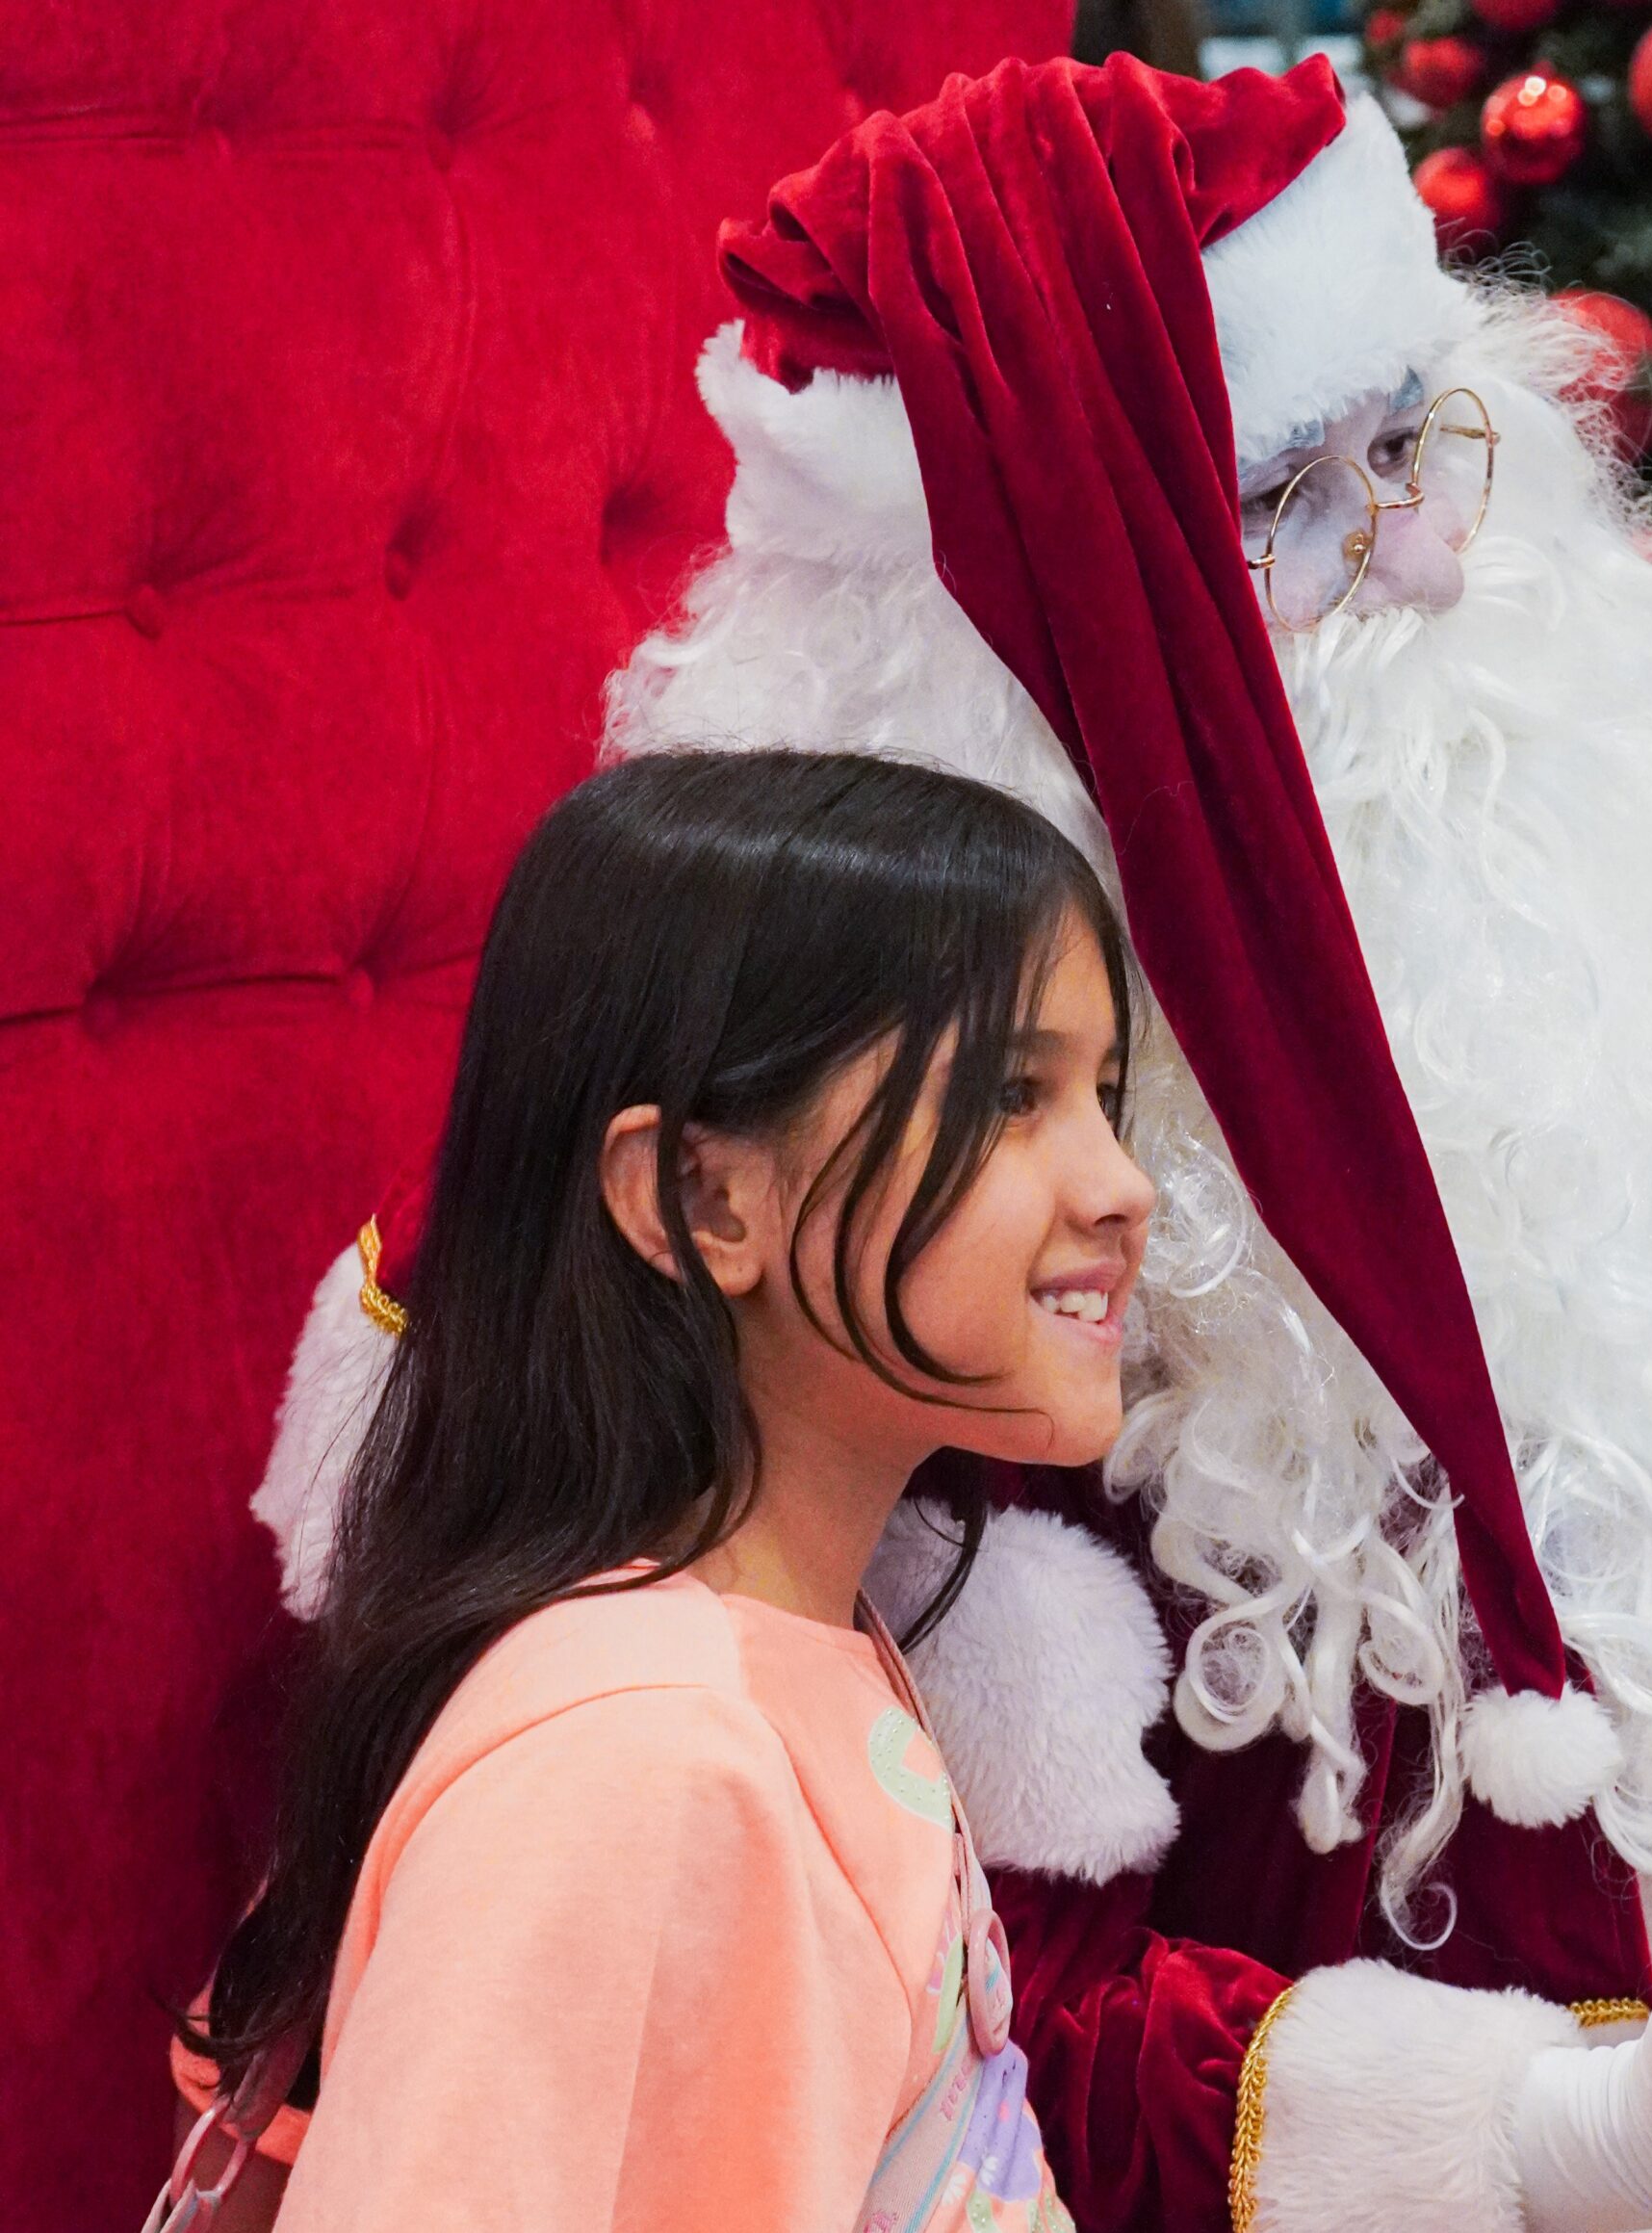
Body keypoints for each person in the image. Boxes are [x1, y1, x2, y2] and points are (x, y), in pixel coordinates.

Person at [254, 54, 1652, 2233]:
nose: (1440, 557)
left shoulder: (1558, 991)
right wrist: (1532, 2136)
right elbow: (974, 2038)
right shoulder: (901, 1278)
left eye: (1418, 432)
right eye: (1299, 493)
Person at [166, 750, 1151, 2228]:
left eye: (1105, 1095)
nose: (1120, 1184)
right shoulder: (646, 1760)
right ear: (701, 1199)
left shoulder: (762, 1665)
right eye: (1014, 1093)